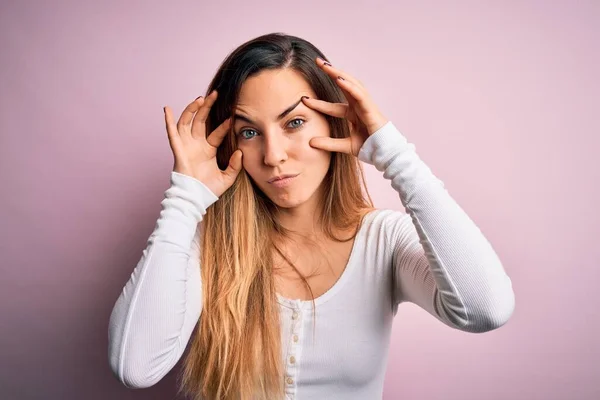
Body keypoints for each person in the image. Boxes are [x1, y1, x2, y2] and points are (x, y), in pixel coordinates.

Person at [108, 32, 515, 400]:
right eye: (250, 132)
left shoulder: (383, 241)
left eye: (295, 123)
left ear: (336, 123)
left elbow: (485, 310)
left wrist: (394, 155)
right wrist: (185, 198)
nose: (273, 156)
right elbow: (135, 368)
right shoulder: (206, 244)